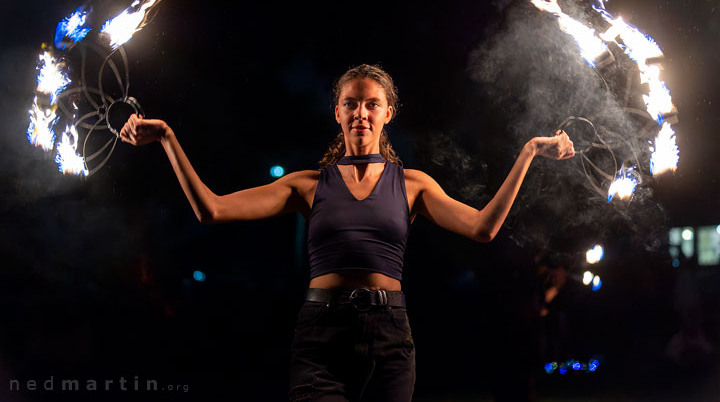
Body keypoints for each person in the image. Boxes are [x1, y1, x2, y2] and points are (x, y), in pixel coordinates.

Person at [119, 63, 575, 401]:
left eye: (372, 104)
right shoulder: (306, 185)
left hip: (390, 335)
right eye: (351, 103)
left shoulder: (413, 184)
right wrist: (167, 139)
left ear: (388, 113)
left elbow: (482, 227)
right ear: (337, 112)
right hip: (321, 334)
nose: (361, 112)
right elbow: (212, 210)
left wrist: (530, 152)